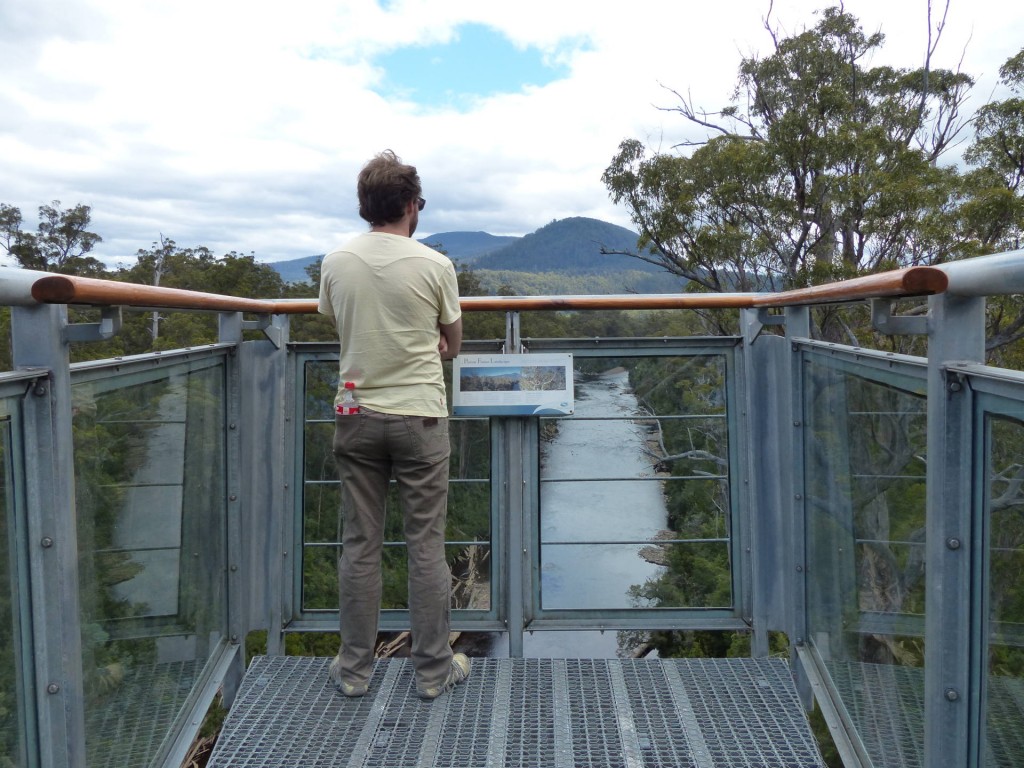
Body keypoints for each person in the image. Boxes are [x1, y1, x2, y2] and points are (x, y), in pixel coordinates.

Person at [318, 149, 468, 700]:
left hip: (356, 414)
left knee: (361, 544)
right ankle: (432, 672)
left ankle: (355, 671)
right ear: (410, 205)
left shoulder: (335, 262)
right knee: (425, 545)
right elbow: (451, 343)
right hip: (420, 418)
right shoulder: (435, 265)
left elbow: (337, 321)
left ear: (366, 207)